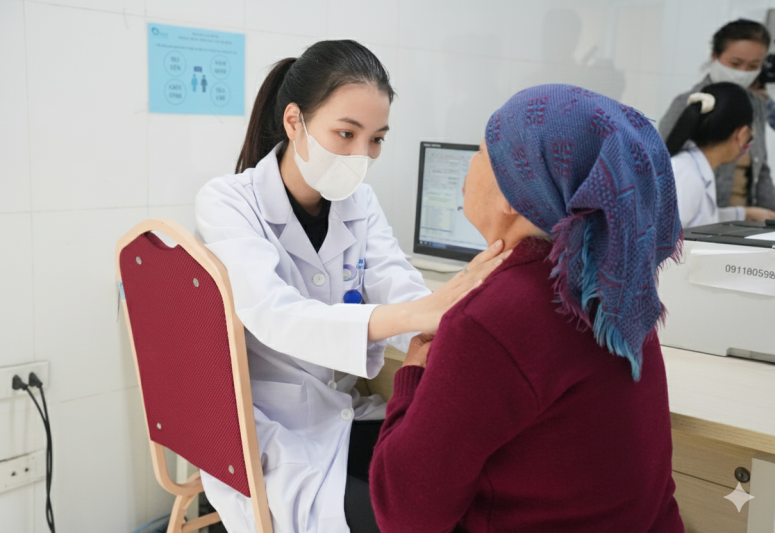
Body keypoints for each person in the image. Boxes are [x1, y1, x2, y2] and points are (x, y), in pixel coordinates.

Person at [194, 40, 508, 533]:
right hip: (272, 434)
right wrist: (417, 315)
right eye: (346, 133)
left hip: (340, 417)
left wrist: (459, 315)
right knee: (415, 514)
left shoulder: (360, 202)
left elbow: (397, 283)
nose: (362, 155)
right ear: (294, 122)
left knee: (469, 488)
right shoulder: (228, 202)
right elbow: (277, 316)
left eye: (376, 139)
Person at [370, 85, 685, 532]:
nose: (469, 166)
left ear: (512, 192)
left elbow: (405, 514)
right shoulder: (616, 288)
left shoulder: (493, 320)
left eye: (482, 152)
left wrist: (413, 373)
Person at [659, 19, 775, 212]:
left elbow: (760, 167)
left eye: (753, 65)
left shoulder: (757, 104)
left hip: (745, 218)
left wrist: (769, 214)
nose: (743, 73)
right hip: (702, 217)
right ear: (715, 56)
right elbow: (663, 162)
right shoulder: (689, 103)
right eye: (735, 63)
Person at [665, 82, 775, 227]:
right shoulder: (686, 174)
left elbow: (701, 218)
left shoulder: (696, 169)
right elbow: (663, 237)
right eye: (750, 136)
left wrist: (745, 213)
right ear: (741, 134)